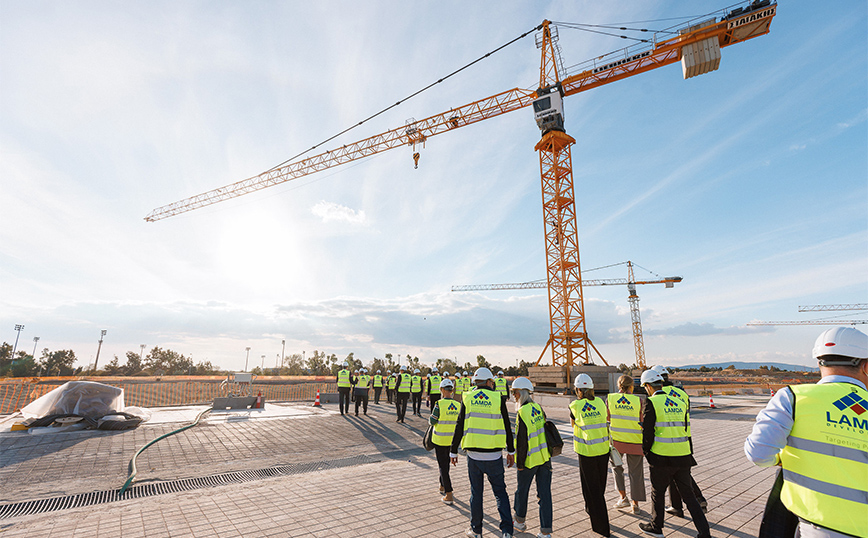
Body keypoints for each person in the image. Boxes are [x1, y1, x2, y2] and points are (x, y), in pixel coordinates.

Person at [745, 326, 868, 538]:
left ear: (819, 362)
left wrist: (781, 458)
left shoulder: (793, 397)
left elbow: (758, 452)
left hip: (817, 529)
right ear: (866, 366)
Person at [638, 369, 711, 538]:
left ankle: (656, 527)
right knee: (689, 497)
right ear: (661, 384)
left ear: (648, 386)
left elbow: (647, 432)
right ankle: (704, 532)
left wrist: (647, 452)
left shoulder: (652, 402)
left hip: (661, 457)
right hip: (683, 456)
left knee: (658, 493)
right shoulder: (679, 401)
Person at [451, 367, 515, 538]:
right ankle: (507, 531)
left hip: (473, 456)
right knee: (500, 493)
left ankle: (476, 530)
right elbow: (507, 426)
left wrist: (453, 451)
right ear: (488, 382)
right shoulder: (498, 398)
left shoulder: (468, 397)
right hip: (494, 456)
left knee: (476, 494)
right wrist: (511, 450)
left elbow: (459, 425)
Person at [652, 365, 707, 516]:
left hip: (669, 436)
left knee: (676, 472)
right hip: (685, 436)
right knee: (681, 471)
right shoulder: (681, 393)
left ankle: (697, 497)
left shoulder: (660, 395)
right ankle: (676, 506)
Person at [569, 373, 611, 537]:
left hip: (587, 452)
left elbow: (574, 424)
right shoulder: (600, 402)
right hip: (603, 450)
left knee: (592, 489)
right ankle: (590, 508)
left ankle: (602, 527)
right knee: (599, 486)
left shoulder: (575, 406)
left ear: (578, 389)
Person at [511, 377, 553, 538]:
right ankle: (545, 532)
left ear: (520, 393)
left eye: (514, 393)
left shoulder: (522, 412)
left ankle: (520, 521)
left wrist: (519, 463)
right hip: (544, 459)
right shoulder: (538, 408)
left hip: (529, 460)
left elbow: (521, 441)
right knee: (545, 496)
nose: (513, 396)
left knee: (522, 492)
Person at [607, 374, 646, 514]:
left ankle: (623, 498)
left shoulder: (610, 399)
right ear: (631, 386)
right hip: (635, 441)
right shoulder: (638, 401)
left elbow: (607, 418)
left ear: (618, 386)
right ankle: (635, 504)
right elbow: (642, 420)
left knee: (617, 468)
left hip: (617, 442)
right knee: (636, 473)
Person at [430, 378, 460, 505]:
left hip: (440, 440)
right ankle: (442, 485)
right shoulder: (458, 405)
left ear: (442, 390)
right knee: (446, 464)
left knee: (442, 466)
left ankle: (449, 493)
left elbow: (433, 421)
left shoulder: (439, 404)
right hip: (452, 441)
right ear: (452, 390)